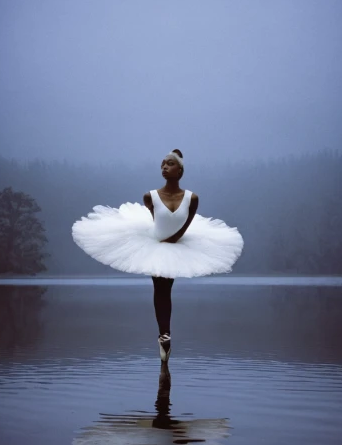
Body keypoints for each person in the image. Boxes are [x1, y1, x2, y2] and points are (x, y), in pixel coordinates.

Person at [72, 149, 244, 363]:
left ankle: (165, 334)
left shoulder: (192, 198)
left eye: (169, 164)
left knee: (166, 288)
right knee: (160, 287)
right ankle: (164, 335)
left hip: (179, 244)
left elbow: (186, 224)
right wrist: (163, 241)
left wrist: (173, 240)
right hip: (154, 243)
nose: (164, 167)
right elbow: (156, 223)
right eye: (162, 164)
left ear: (180, 170)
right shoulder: (150, 197)